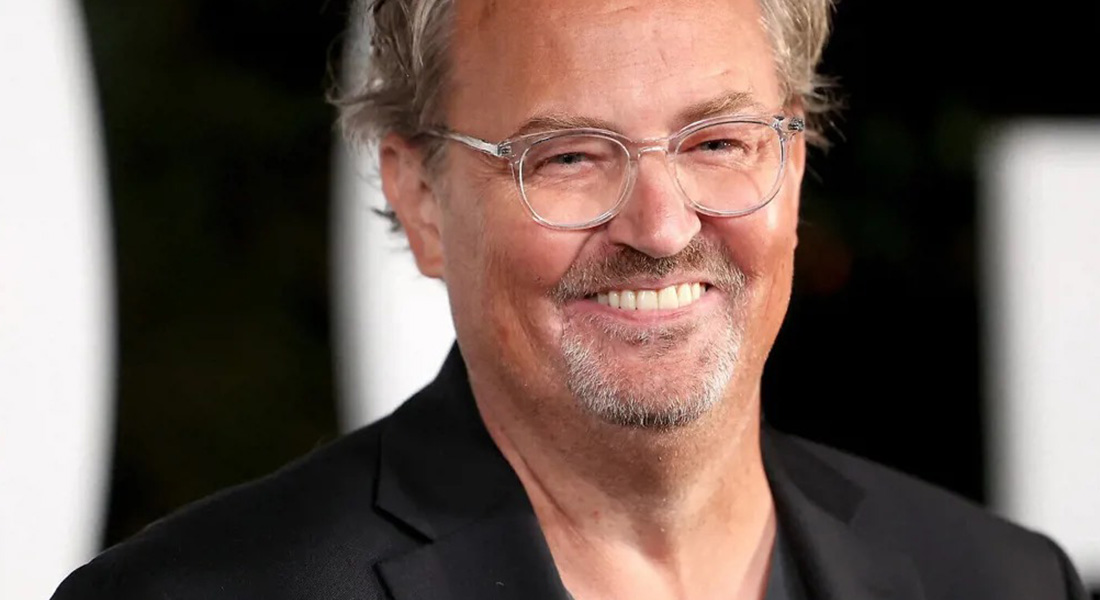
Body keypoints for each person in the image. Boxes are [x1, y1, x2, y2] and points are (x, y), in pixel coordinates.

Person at [54, 0, 1088, 598]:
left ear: (796, 158)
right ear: (419, 199)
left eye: (717, 141)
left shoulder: (1001, 583)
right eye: (568, 157)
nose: (662, 226)